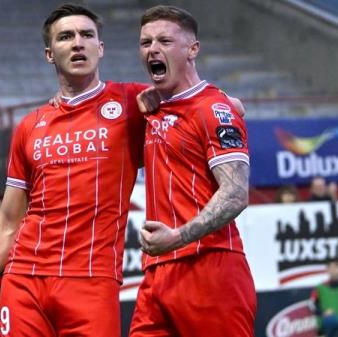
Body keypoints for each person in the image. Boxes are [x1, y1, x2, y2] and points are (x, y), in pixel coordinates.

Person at [0, 4, 245, 335]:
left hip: (92, 279)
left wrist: (231, 104)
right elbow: (7, 222)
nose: (78, 43)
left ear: (100, 48)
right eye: (66, 37)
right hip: (24, 279)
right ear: (50, 54)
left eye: (87, 35)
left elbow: (206, 102)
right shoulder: (30, 126)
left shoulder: (133, 103)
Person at [129, 6, 256, 337]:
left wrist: (178, 237)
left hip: (210, 266)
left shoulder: (215, 109)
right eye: (145, 42)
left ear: (192, 49)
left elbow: (236, 194)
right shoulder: (150, 107)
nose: (153, 49)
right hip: (156, 273)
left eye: (165, 40)